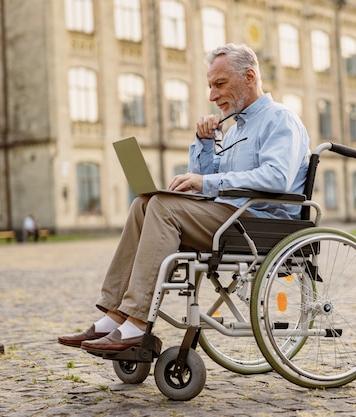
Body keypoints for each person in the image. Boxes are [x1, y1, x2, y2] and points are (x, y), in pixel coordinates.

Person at [58, 43, 311, 353]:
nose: (212, 95)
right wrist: (205, 144)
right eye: (210, 86)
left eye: (219, 84)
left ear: (249, 77)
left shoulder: (280, 119)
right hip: (230, 219)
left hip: (260, 224)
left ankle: (136, 324)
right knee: (144, 204)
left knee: (163, 208)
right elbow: (209, 182)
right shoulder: (232, 130)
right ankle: (115, 315)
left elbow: (276, 178)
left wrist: (205, 182)